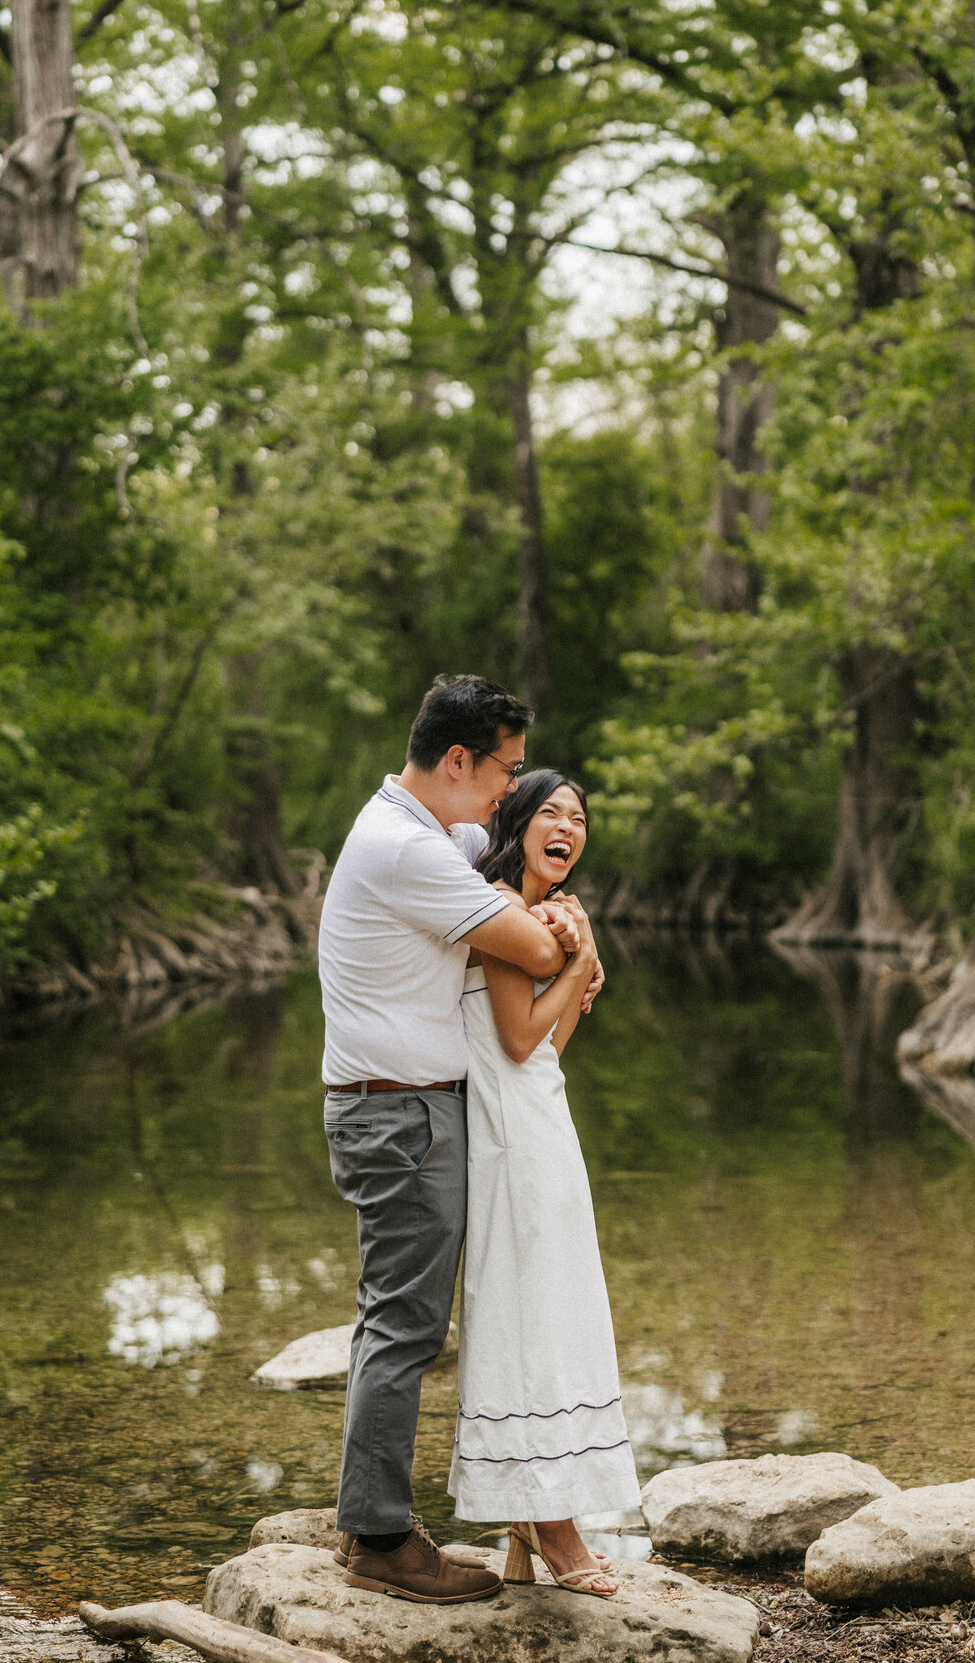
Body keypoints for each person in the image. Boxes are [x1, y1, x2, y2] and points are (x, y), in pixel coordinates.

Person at [318, 675, 596, 1606]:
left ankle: (372, 1514)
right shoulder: (409, 850)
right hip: (399, 1114)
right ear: (456, 761)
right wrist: (567, 932)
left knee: (392, 1319)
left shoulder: (431, 828)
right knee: (404, 1326)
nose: (506, 798)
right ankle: (381, 1539)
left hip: (405, 1108)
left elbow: (509, 846)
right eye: (503, 775)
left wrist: (543, 889)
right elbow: (538, 950)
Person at [449, 769, 638, 1598]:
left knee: (560, 1308)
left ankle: (549, 1507)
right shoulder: (497, 911)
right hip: (506, 1142)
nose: (569, 828)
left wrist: (572, 967)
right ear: (518, 824)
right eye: (551, 814)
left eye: (581, 818)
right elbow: (520, 1040)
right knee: (526, 1309)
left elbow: (550, 1048)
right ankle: (548, 1526)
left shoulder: (537, 916)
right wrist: (583, 957)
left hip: (544, 1127)